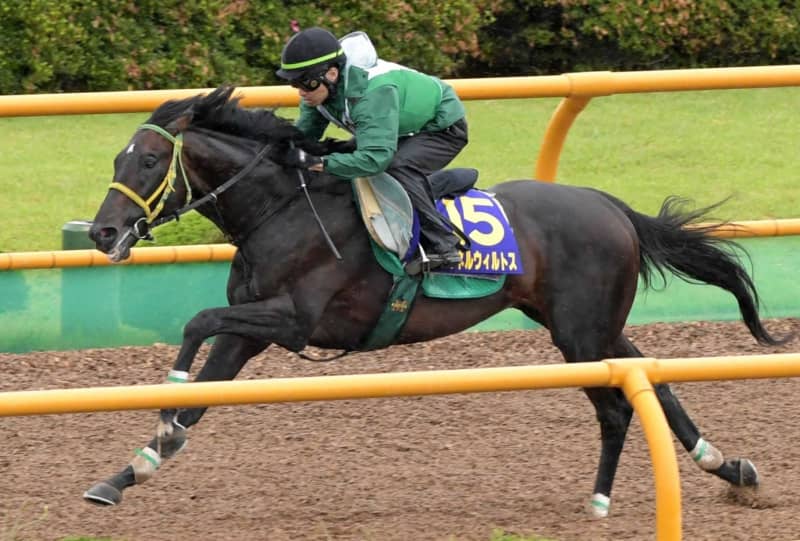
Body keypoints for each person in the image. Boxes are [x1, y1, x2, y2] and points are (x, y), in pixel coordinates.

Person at [275, 27, 468, 270]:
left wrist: (320, 164)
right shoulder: (319, 92)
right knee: (343, 155)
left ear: (332, 74)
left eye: (305, 83)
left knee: (396, 166)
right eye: (294, 84)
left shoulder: (372, 92)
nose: (301, 92)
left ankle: (444, 244)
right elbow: (303, 137)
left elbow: (375, 159)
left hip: (442, 127)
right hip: (396, 126)